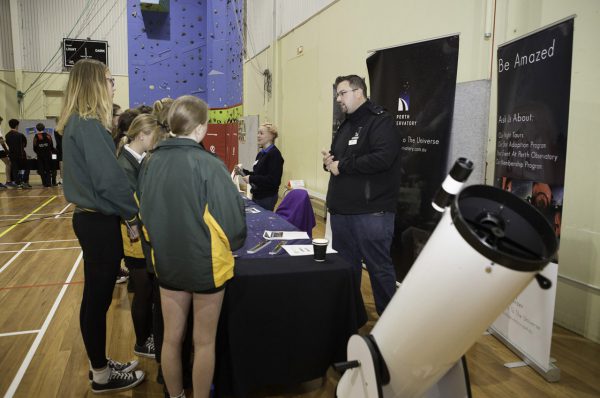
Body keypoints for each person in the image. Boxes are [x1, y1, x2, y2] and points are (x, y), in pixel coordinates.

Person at [138, 95, 246, 398]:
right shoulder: (209, 164)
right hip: (206, 266)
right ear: (200, 128)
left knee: (171, 339)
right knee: (204, 342)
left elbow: (144, 215)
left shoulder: (150, 162)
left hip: (168, 264)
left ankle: (175, 396)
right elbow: (233, 227)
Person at [57, 58, 144, 393]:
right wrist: (132, 215)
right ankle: (101, 374)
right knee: (96, 300)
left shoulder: (78, 123)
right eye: (109, 79)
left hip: (90, 219)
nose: (113, 85)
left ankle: (101, 365)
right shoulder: (89, 124)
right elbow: (109, 181)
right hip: (98, 220)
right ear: (94, 83)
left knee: (97, 298)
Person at [322, 74, 401, 315]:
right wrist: (329, 162)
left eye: (342, 93)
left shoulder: (380, 121)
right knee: (347, 268)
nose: (338, 99)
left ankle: (391, 325)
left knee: (379, 269)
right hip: (343, 211)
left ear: (359, 92)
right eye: (337, 94)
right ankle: (352, 317)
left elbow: (382, 158)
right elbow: (339, 161)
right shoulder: (345, 124)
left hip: (371, 212)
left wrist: (342, 166)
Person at [116, 114, 162, 361]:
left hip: (144, 237)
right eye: (154, 135)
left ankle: (149, 336)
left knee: (150, 291)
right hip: (134, 239)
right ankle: (142, 342)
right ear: (142, 134)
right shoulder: (125, 163)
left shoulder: (140, 159)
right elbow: (130, 203)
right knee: (142, 292)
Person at [238, 123, 284, 211]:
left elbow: (273, 180)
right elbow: (257, 174)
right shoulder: (261, 153)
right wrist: (243, 171)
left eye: (261, 133)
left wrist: (251, 178)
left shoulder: (275, 155)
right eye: (258, 133)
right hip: (257, 195)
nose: (258, 136)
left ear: (271, 136)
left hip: (267, 197)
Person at [5, 119, 31, 189]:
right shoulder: (20, 135)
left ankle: (17, 183)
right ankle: (24, 182)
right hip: (21, 154)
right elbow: (24, 144)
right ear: (17, 125)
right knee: (27, 167)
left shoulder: (7, 135)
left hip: (12, 155)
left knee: (15, 169)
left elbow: (7, 144)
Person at [33, 123, 55, 187]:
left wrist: (38, 152)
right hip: (48, 155)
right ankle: (49, 183)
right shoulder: (48, 136)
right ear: (44, 128)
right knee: (48, 169)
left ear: (37, 129)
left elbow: (34, 147)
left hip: (40, 156)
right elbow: (51, 145)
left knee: (41, 169)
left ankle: (44, 183)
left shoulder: (36, 136)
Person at [0, 115, 10, 188]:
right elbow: (1, 141)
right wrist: (7, 150)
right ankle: (8, 181)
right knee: (8, 163)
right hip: (0, 150)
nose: (0, 123)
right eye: (0, 122)